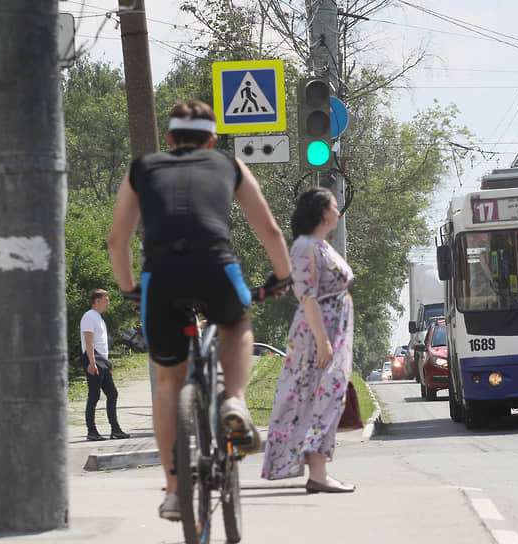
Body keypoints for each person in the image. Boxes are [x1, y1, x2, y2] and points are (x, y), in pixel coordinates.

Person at [108, 99, 292, 520]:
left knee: (168, 384)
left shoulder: (142, 167)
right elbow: (270, 229)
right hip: (215, 267)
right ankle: (235, 401)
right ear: (212, 139)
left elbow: (117, 240)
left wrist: (129, 289)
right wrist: (281, 277)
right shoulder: (229, 165)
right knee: (236, 320)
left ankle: (174, 491)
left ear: (169, 138)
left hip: (161, 277)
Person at [261, 187, 355, 494]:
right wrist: (323, 341)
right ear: (322, 212)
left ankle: (319, 471)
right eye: (334, 206)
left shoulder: (320, 245)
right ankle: (317, 473)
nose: (338, 212)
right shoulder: (304, 246)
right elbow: (306, 294)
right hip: (318, 334)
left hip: (332, 332)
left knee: (327, 398)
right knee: (319, 398)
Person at [80, 288, 130, 441]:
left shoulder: (99, 318)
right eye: (106, 300)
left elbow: (100, 343)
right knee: (94, 396)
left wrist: (107, 363)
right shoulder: (89, 316)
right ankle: (92, 431)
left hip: (101, 361)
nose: (108, 303)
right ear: (97, 301)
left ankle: (115, 430)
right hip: (92, 360)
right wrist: (92, 363)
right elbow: (89, 342)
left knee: (112, 393)